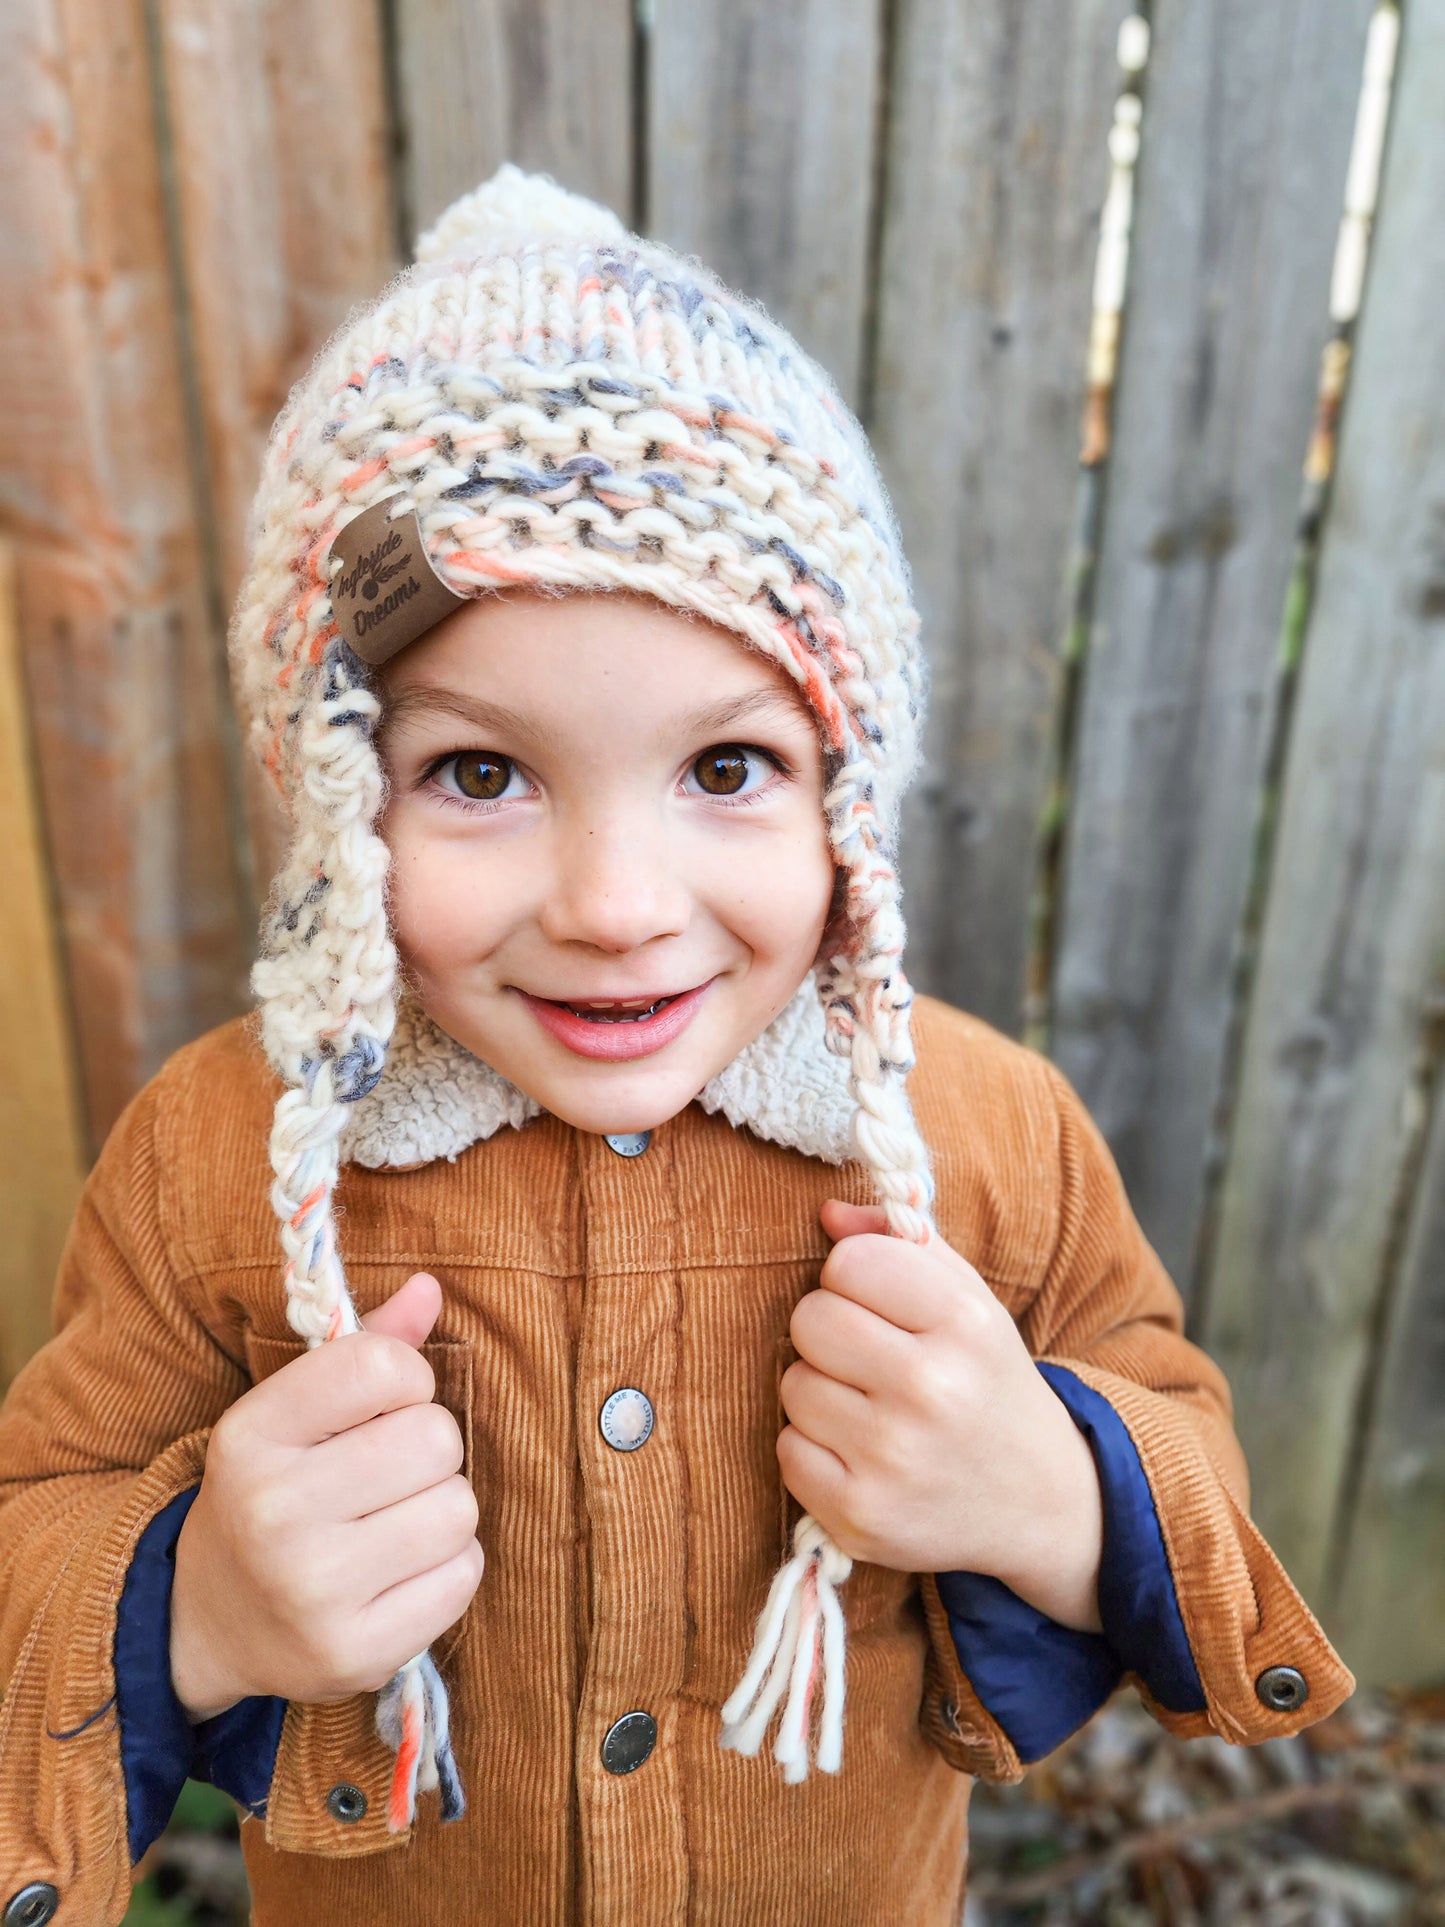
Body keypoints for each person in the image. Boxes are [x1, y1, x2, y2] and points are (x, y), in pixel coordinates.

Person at [0, 166, 1351, 1926]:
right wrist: (192, 1610)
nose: (619, 904)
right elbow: (43, 1506)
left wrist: (1053, 1490)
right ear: (340, 795)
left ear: (843, 792)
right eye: (479, 774)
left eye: (726, 769)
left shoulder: (982, 1138)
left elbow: (1177, 1421)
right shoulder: (223, 1159)